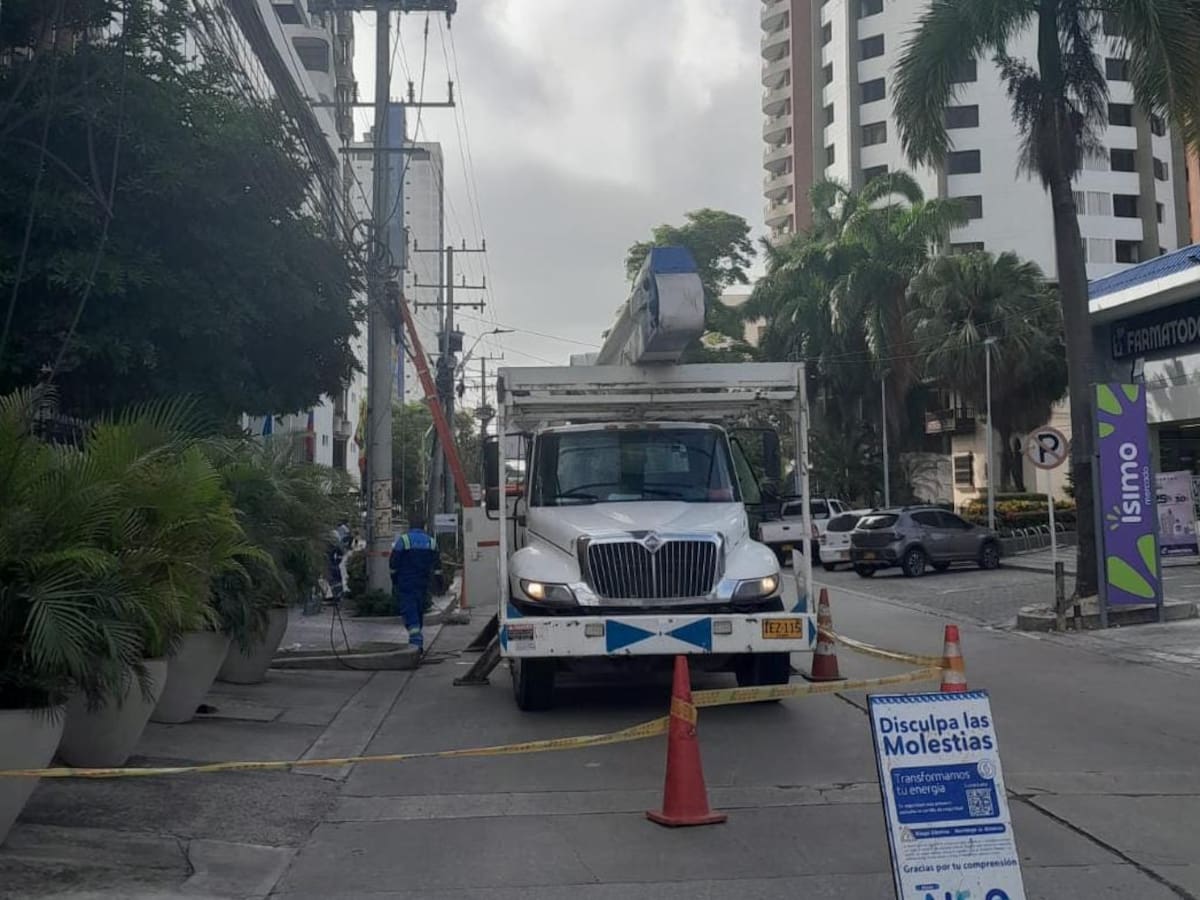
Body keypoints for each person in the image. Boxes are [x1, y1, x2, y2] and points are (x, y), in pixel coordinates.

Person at [390, 513, 438, 653]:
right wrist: (438, 584)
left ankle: (416, 642)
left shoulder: (404, 540)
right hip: (422, 583)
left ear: (410, 526)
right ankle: (417, 641)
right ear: (423, 526)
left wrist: (394, 580)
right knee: (418, 609)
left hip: (406, 582)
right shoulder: (431, 541)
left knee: (409, 610)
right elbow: (437, 566)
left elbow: (394, 563)